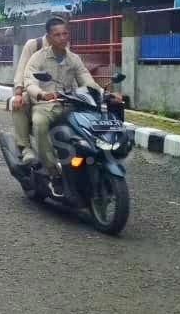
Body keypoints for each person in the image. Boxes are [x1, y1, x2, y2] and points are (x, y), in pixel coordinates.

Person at [24, 17, 124, 196]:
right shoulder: (38, 57)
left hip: (71, 105)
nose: (62, 38)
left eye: (65, 33)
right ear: (49, 37)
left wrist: (106, 94)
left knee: (88, 127)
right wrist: (41, 93)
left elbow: (87, 80)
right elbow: (29, 81)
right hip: (46, 105)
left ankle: (85, 163)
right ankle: (53, 173)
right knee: (39, 124)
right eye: (57, 35)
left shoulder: (74, 58)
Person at [8, 24, 51, 165]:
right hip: (33, 90)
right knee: (21, 102)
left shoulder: (65, 48)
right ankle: (25, 148)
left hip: (56, 93)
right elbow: (21, 69)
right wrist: (18, 92)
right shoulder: (34, 45)